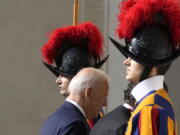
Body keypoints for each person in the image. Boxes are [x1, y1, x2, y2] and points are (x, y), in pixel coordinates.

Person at [110, 0, 180, 134]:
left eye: (134, 58)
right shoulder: (157, 101)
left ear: (152, 66)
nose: (126, 62)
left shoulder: (150, 108)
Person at [40, 21, 108, 130]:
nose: (57, 81)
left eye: (63, 75)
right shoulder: (74, 122)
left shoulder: (56, 119)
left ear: (79, 79)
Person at [40, 67, 109, 135]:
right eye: (103, 96)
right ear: (88, 93)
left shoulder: (53, 119)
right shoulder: (76, 124)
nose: (105, 104)